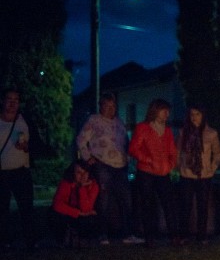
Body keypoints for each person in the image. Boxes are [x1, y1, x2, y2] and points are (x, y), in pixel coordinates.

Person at [76, 91, 143, 245]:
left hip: (120, 165)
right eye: (107, 106)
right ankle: (102, 234)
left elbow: (125, 141)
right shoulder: (94, 120)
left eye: (113, 106)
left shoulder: (119, 122)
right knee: (103, 199)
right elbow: (81, 139)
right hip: (102, 163)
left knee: (125, 199)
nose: (110, 109)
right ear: (101, 107)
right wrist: (87, 157)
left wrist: (128, 156)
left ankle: (127, 233)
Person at [129, 98, 178, 246]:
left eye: (168, 111)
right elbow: (133, 149)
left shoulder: (167, 131)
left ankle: (173, 235)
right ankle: (149, 237)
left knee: (168, 204)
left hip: (163, 172)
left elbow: (172, 151)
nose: (167, 114)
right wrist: (147, 160)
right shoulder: (143, 128)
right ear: (156, 111)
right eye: (164, 111)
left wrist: (169, 165)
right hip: (146, 173)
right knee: (147, 204)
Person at [177, 105, 220, 244]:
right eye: (192, 114)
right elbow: (178, 152)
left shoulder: (211, 133)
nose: (194, 117)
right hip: (187, 174)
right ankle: (184, 235)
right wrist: (180, 167)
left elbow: (218, 153)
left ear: (202, 115)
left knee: (202, 206)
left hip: (204, 175)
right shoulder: (183, 132)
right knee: (185, 206)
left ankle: (202, 236)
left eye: (197, 114)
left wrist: (212, 168)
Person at [0, 87, 35, 248]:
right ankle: (5, 240)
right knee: (2, 209)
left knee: (26, 207)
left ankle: (30, 240)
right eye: (9, 99)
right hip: (2, 172)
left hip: (21, 170)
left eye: (16, 100)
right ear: (3, 101)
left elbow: (35, 144)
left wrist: (27, 147)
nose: (13, 104)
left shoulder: (24, 120)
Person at [49, 159, 99, 247]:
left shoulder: (93, 185)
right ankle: (62, 239)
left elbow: (86, 208)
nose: (83, 176)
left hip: (83, 216)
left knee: (91, 219)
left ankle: (82, 238)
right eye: (79, 173)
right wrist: (78, 213)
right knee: (55, 214)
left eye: (85, 172)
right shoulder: (66, 183)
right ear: (73, 173)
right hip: (71, 214)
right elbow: (57, 204)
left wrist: (82, 188)